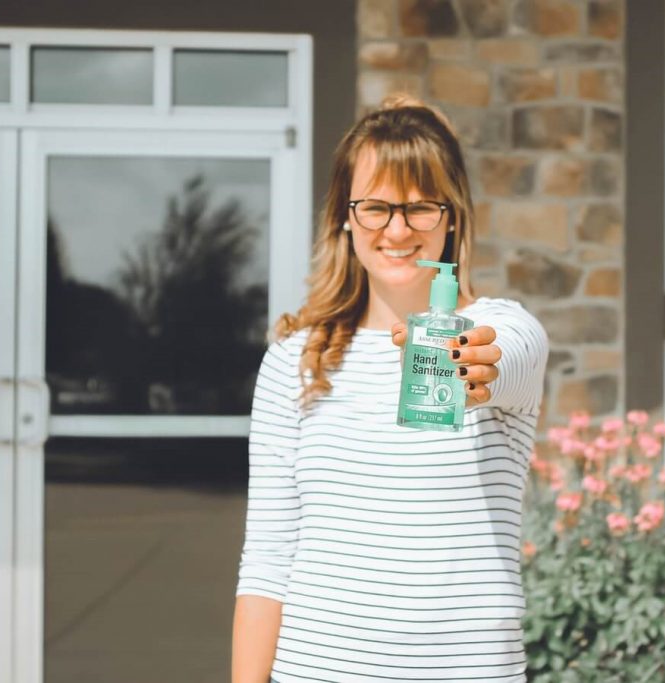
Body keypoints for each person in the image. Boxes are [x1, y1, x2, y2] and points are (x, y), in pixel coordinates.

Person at [231, 95, 548, 683]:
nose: (398, 230)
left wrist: (468, 365)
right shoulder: (293, 361)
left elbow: (502, 357)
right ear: (345, 217)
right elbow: (268, 560)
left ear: (451, 217)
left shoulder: (506, 328)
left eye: (420, 207)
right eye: (376, 207)